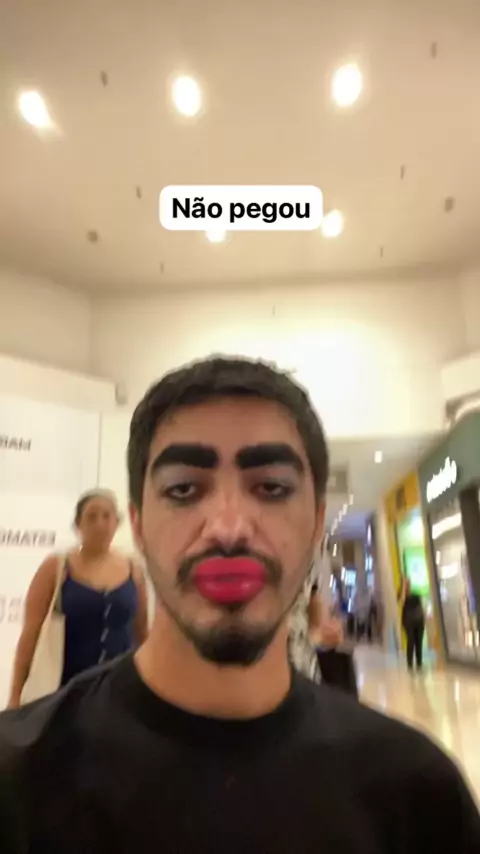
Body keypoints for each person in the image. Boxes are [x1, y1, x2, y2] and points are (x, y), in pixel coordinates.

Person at [0, 357, 479, 853]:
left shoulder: (416, 796)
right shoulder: (18, 782)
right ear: (139, 525)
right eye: (183, 489)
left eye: (271, 488)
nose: (228, 529)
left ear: (317, 524)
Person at [7, 489, 148, 708]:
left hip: (120, 695)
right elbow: (30, 635)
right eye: (91, 516)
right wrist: (15, 697)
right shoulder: (56, 567)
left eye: (107, 516)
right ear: (77, 524)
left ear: (117, 522)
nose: (100, 524)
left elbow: (143, 635)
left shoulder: (134, 570)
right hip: (64, 693)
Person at [400, 576, 425, 672]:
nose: (408, 585)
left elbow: (421, 607)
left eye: (408, 583)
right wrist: (403, 589)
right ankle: (410, 664)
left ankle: (419, 663)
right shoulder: (402, 594)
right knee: (411, 641)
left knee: (419, 641)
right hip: (408, 621)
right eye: (406, 583)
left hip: (419, 621)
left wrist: (423, 617)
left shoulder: (416, 595)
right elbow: (402, 601)